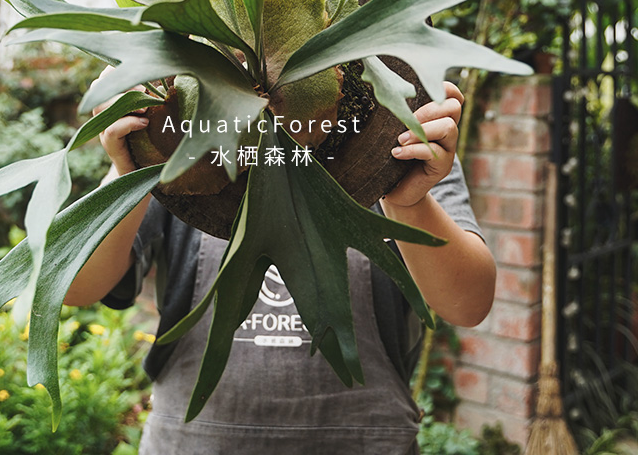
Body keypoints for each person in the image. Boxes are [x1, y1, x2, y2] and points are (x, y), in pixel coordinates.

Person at [65, 79, 496, 455]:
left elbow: (468, 304)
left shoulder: (399, 138)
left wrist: (410, 202)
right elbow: (75, 286)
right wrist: (128, 170)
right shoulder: (185, 142)